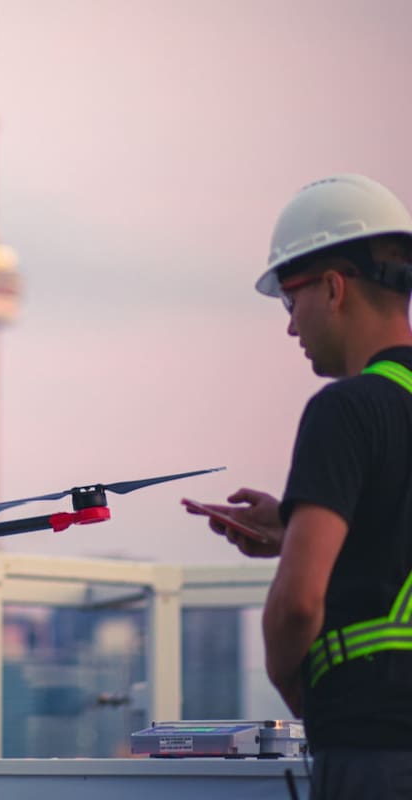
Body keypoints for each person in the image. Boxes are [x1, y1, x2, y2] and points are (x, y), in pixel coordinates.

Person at [201, 173, 412, 797]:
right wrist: (296, 528)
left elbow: (297, 605)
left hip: (376, 748)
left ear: (333, 287)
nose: (291, 328)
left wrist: (297, 686)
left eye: (290, 302)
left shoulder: (345, 411)